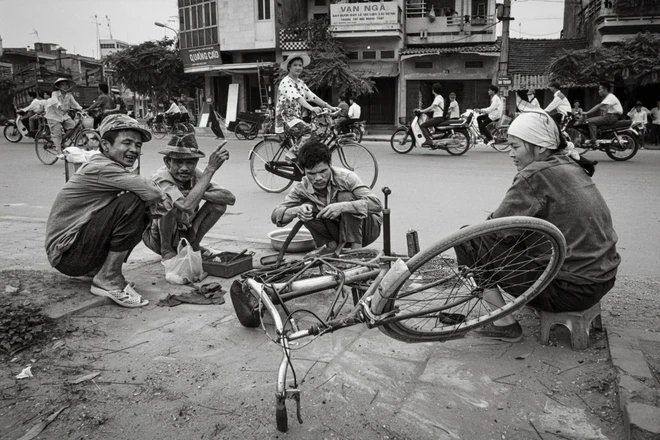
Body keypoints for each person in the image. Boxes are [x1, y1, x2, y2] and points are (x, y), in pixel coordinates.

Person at [458, 109, 620, 342]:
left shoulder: (534, 174)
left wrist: (484, 243)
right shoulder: (570, 164)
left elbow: (497, 231)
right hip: (602, 280)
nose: (511, 154)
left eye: (516, 147)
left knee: (467, 238)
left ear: (541, 147)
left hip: (570, 291)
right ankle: (529, 302)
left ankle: (504, 324)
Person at [45, 115, 166, 308]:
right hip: (68, 256)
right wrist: (152, 197)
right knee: (134, 202)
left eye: (138, 145)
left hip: (74, 255)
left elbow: (157, 201)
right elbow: (154, 193)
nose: (133, 150)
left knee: (137, 201)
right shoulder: (102, 167)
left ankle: (101, 271)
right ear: (105, 144)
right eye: (126, 143)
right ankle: (108, 278)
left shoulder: (110, 167)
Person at [271, 140, 382, 256]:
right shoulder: (302, 187)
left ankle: (355, 252)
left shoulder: (347, 178)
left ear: (330, 165)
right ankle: (330, 247)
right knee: (307, 207)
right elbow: (276, 216)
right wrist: (297, 210)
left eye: (323, 171)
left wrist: (343, 206)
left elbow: (377, 205)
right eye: (311, 174)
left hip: (367, 231)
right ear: (303, 171)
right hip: (337, 232)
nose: (318, 178)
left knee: (346, 197)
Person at [143, 135, 235, 261]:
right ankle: (167, 251)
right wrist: (210, 169)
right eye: (178, 162)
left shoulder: (196, 174)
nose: (184, 168)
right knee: (170, 204)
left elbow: (230, 198)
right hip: (157, 238)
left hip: (185, 232)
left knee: (218, 204)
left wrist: (198, 192)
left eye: (190, 162)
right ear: (167, 162)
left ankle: (194, 244)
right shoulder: (161, 178)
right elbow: (186, 206)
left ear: (196, 163)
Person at [275, 53, 336, 138]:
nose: (298, 68)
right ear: (289, 67)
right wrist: (312, 108)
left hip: (296, 119)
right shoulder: (286, 82)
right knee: (309, 132)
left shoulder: (300, 83)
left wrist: (330, 107)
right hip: (286, 120)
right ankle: (294, 152)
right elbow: (297, 97)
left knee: (317, 132)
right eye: (295, 65)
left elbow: (312, 96)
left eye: (300, 65)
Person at [45, 78, 83, 154]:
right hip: (53, 116)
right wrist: (60, 106)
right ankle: (58, 151)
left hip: (63, 116)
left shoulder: (69, 95)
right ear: (59, 86)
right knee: (57, 132)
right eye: (62, 85)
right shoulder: (55, 93)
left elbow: (75, 104)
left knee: (73, 126)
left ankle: (61, 141)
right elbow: (55, 101)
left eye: (66, 84)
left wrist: (81, 110)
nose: (65, 86)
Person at [584, 81, 623, 146]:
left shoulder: (610, 97)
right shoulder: (609, 98)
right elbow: (601, 108)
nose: (598, 91)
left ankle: (593, 140)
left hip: (611, 117)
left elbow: (598, 106)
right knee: (592, 120)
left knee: (590, 121)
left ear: (605, 89)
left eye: (600, 89)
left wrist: (587, 113)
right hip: (610, 116)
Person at [419, 82, 445, 147]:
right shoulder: (440, 97)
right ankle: (431, 138)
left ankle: (428, 140)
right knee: (428, 124)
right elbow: (433, 109)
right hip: (439, 117)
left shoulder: (437, 98)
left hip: (438, 118)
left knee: (423, 125)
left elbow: (431, 107)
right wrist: (424, 112)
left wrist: (422, 111)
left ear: (433, 90)